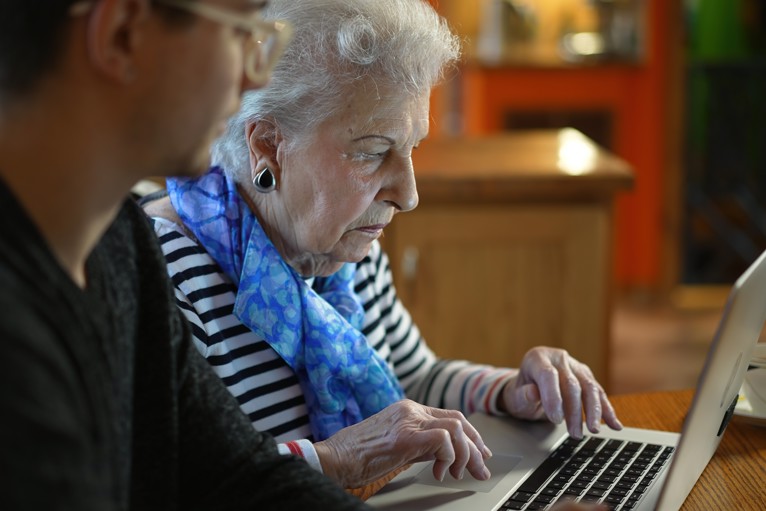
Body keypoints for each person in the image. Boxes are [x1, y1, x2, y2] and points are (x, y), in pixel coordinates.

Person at [142, 0, 624, 494]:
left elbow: (415, 379)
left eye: (412, 148)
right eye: (373, 153)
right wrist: (341, 459)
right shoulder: (159, 275)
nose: (409, 195)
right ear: (267, 146)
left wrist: (510, 393)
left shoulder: (344, 254)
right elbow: (168, 479)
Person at [0, 0, 374, 508]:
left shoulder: (120, 241)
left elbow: (238, 475)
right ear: (122, 35)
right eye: (243, 33)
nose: (252, 79)